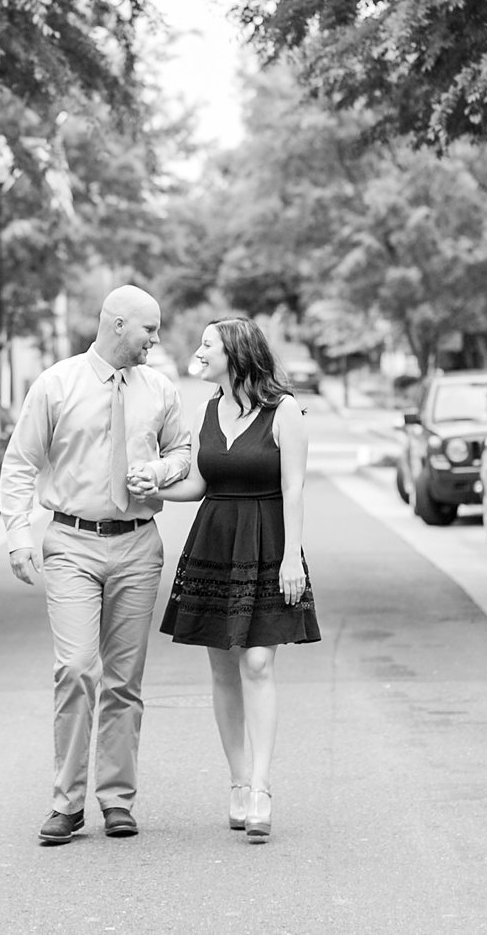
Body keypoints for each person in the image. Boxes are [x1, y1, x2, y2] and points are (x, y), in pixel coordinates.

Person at [0, 285, 193, 846]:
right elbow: (19, 463)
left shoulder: (159, 389)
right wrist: (17, 537)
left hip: (138, 544)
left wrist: (159, 471)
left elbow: (183, 452)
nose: (155, 340)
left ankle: (117, 800)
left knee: (124, 681)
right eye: (148, 330)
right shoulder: (56, 384)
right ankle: (66, 802)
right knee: (78, 668)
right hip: (71, 543)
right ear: (116, 326)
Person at [154, 316, 320, 843]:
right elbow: (203, 482)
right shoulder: (208, 409)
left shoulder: (284, 410)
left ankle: (262, 787)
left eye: (208, 345)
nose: (199, 352)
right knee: (223, 666)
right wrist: (151, 492)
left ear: (236, 354)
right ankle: (237, 781)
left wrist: (292, 556)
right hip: (215, 542)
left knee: (257, 661)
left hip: (269, 543)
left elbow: (293, 489)